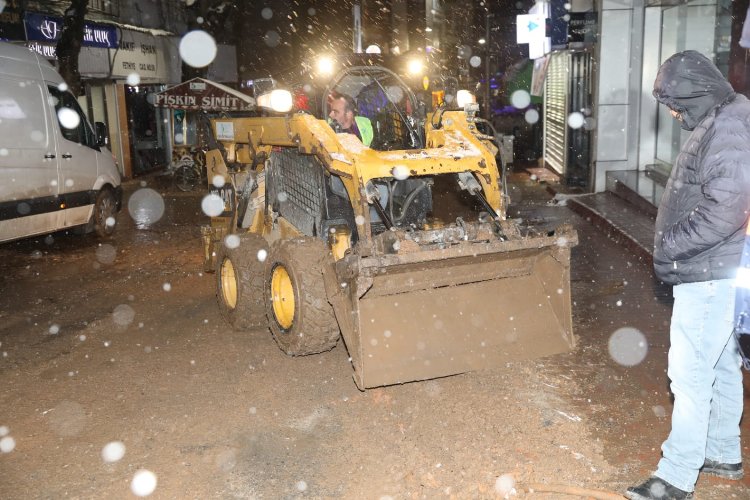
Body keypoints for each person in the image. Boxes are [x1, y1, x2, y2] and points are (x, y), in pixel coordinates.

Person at [626, 50, 750, 499]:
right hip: (717, 268)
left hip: (711, 271)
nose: (675, 114)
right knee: (719, 363)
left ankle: (676, 477)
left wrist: (672, 245)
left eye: (676, 105)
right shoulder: (722, 119)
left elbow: (728, 207)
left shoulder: (727, 127)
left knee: (690, 373)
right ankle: (722, 451)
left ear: (696, 94)